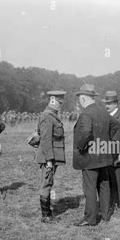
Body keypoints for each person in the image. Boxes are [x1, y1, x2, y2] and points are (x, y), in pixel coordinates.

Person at [73, 84, 120, 226]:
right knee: (104, 185)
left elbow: (86, 133)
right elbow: (116, 125)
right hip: (105, 156)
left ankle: (90, 218)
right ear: (93, 97)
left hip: (89, 158)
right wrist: (108, 142)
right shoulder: (104, 112)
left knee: (90, 188)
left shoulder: (86, 114)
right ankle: (106, 215)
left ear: (82, 99)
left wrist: (81, 147)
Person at [34, 91, 66, 223]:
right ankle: (46, 216)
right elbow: (46, 140)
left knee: (48, 182)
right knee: (46, 183)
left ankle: (47, 212)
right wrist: (49, 161)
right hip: (49, 157)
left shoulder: (52, 115)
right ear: (52, 99)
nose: (60, 105)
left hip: (52, 156)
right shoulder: (48, 116)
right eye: (59, 102)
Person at [102, 91, 120, 209]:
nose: (107, 106)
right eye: (106, 103)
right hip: (107, 153)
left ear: (115, 104)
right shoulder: (106, 116)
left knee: (117, 178)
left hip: (118, 153)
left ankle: (119, 202)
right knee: (108, 177)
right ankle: (111, 201)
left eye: (109, 103)